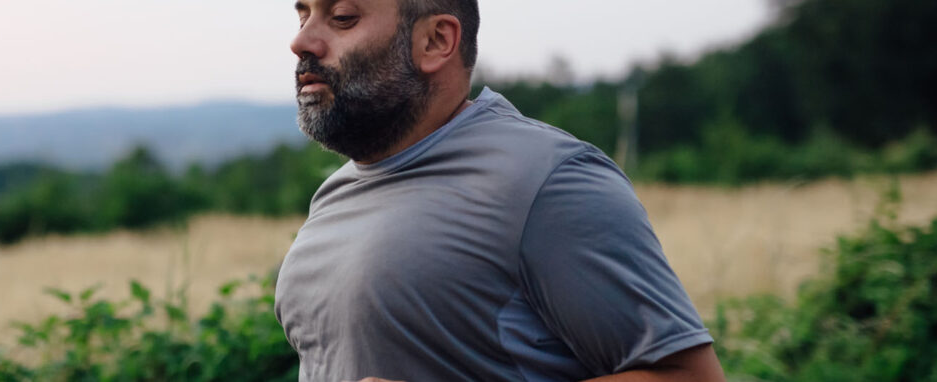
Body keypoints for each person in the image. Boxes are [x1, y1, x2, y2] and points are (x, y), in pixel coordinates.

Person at [274, 0, 727, 381]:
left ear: (435, 41)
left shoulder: (547, 178)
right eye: (303, 14)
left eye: (343, 17)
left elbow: (688, 376)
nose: (301, 41)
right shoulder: (333, 195)